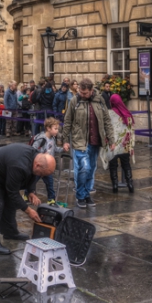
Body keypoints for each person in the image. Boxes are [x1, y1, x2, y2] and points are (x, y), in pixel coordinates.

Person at [0, 143, 54, 255]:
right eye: (43, 174)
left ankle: (10, 232)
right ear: (38, 165)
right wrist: (28, 210)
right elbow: (12, 192)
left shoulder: (35, 157)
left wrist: (31, 191)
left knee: (10, 204)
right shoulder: (19, 165)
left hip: (4, 172)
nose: (42, 177)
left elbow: (34, 174)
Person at [62, 78, 114, 208]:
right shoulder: (75, 101)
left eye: (85, 93)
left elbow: (107, 120)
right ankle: (80, 195)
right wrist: (64, 140)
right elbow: (67, 121)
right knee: (84, 168)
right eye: (80, 92)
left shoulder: (100, 100)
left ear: (91, 91)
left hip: (95, 141)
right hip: (80, 141)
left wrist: (111, 139)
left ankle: (86, 195)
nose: (82, 95)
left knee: (91, 170)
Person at [105, 94, 136, 194]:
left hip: (113, 144)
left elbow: (106, 128)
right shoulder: (127, 114)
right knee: (126, 164)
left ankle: (115, 185)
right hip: (124, 144)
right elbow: (130, 130)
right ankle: (130, 184)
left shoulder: (109, 113)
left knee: (113, 165)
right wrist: (130, 144)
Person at [31, 117, 62, 206]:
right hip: (40, 165)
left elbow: (55, 148)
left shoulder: (52, 139)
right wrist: (40, 157)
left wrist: (63, 149)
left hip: (48, 166)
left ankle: (51, 199)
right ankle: (27, 193)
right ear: (48, 128)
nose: (57, 131)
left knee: (50, 183)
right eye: (55, 129)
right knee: (33, 181)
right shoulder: (41, 138)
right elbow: (33, 149)